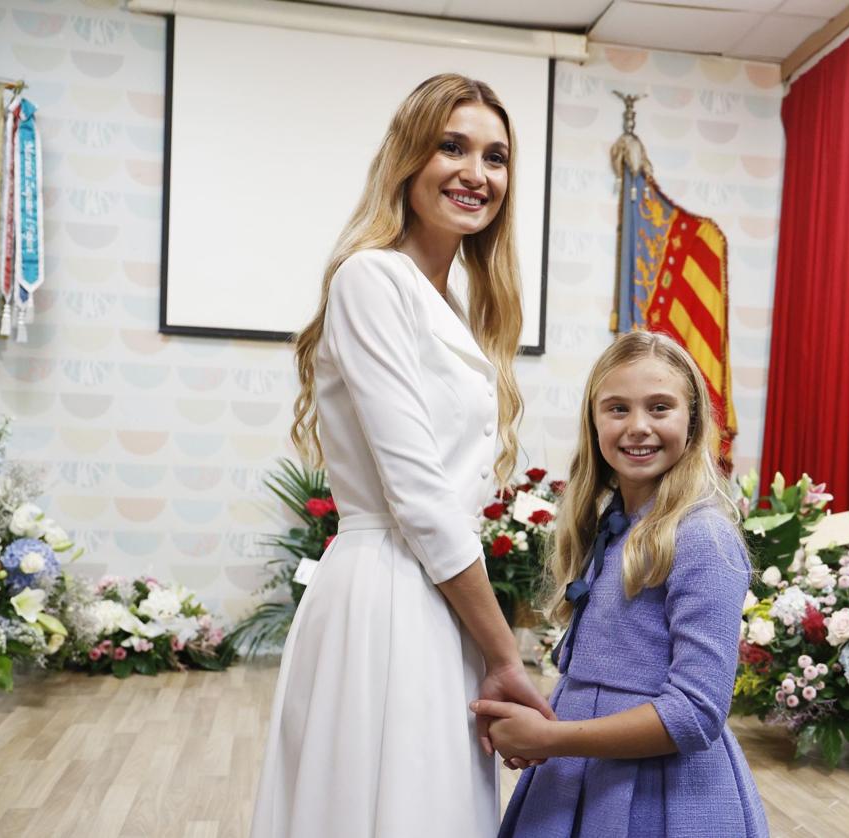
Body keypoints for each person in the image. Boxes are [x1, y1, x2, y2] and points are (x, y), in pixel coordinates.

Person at [250, 73, 552, 838]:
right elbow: (419, 499)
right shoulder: (372, 278)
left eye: (495, 156)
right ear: (409, 160)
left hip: (437, 596)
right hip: (388, 591)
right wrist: (506, 653)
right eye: (452, 146)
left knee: (431, 803)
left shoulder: (446, 300)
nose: (476, 174)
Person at [472, 330, 770, 838]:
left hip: (660, 794)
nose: (638, 427)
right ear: (593, 420)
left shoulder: (701, 536)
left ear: (692, 420)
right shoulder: (610, 523)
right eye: (617, 409)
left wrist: (554, 738)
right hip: (576, 779)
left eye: (660, 408)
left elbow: (697, 712)